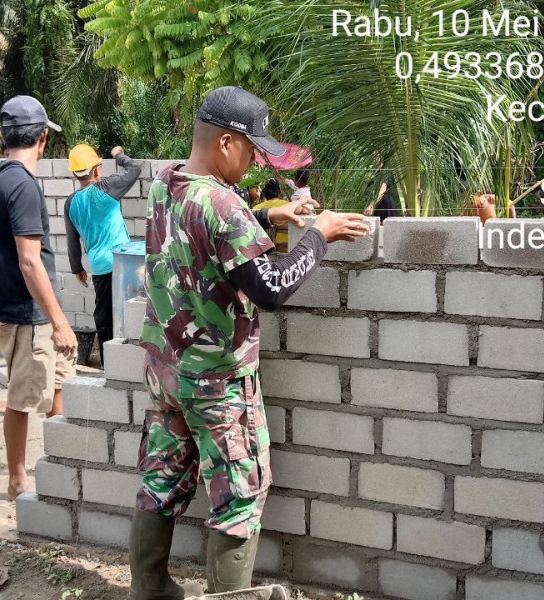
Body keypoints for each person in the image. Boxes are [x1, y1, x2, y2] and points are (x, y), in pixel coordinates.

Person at [130, 85, 368, 599]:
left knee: (162, 479)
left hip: (166, 373)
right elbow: (271, 288)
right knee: (239, 495)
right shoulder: (222, 202)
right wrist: (319, 235)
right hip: (217, 383)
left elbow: (200, 234)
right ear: (224, 143)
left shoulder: (166, 183)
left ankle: (146, 590)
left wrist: (264, 217)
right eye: (252, 149)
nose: (257, 160)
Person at [0, 95, 78, 500]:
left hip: (25, 310)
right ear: (42, 138)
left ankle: (63, 465)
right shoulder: (22, 185)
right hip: (28, 313)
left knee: (61, 386)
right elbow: (30, 262)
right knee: (23, 398)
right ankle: (18, 478)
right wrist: (59, 321)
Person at [64, 143, 144, 363]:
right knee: (129, 310)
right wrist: (118, 154)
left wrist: (77, 269)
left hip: (98, 266)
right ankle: (130, 359)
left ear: (74, 173)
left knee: (104, 313)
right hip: (122, 265)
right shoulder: (106, 188)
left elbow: (72, 240)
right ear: (97, 170)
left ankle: (109, 361)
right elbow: (135, 169)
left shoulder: (70, 203)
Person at [252, 179, 290, 252]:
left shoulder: (255, 209)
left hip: (263, 250)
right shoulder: (288, 206)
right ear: (279, 192)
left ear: (264, 193)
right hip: (285, 249)